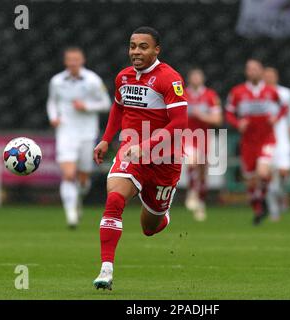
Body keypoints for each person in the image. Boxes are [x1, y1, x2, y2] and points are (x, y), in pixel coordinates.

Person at [92, 27, 188, 290]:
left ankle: (162, 214)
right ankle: (106, 270)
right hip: (131, 152)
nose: (136, 51)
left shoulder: (170, 79)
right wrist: (106, 138)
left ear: (157, 50)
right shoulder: (123, 78)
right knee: (114, 199)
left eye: (143, 46)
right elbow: (119, 107)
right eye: (133, 46)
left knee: (150, 227)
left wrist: (148, 145)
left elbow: (180, 123)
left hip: (164, 160)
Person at [46, 47, 111, 229]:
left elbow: (106, 103)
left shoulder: (92, 80)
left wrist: (87, 106)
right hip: (66, 132)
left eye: (76, 59)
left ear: (82, 61)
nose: (73, 62)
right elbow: (52, 101)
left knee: (83, 178)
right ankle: (71, 215)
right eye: (70, 59)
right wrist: (53, 117)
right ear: (65, 62)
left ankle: (78, 199)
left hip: (87, 133)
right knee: (67, 174)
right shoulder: (57, 81)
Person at [225, 59, 287, 225]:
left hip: (266, 139)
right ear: (246, 72)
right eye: (249, 69)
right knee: (251, 181)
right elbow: (229, 113)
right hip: (248, 143)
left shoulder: (270, 91)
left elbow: (283, 108)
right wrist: (238, 124)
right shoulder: (237, 92)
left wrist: (276, 118)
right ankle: (258, 207)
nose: (252, 72)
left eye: (255, 69)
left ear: (261, 72)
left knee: (262, 172)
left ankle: (263, 201)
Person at [184, 68, 222, 221]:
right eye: (193, 76)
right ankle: (192, 193)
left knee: (203, 171)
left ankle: (200, 201)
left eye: (198, 76)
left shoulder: (210, 96)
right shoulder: (182, 94)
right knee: (192, 160)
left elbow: (218, 119)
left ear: (203, 79)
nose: (196, 79)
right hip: (186, 135)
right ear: (189, 79)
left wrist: (202, 116)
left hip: (204, 136)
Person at [264, 67, 290, 221]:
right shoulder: (261, 94)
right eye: (267, 75)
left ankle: (281, 194)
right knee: (269, 175)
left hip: (282, 136)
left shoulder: (285, 93)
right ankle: (274, 211)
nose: (269, 78)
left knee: (284, 172)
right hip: (265, 138)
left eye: (272, 75)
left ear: (276, 77)